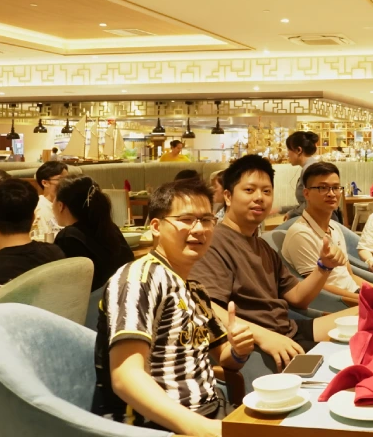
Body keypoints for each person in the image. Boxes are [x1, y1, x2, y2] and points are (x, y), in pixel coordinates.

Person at [93, 179, 254, 436]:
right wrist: (203, 429)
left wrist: (239, 350)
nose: (199, 229)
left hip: (212, 411)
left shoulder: (195, 290)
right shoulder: (140, 279)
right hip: (159, 427)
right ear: (156, 227)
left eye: (206, 220)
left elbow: (224, 358)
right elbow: (125, 377)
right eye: (186, 219)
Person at [189, 155, 354, 386]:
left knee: (366, 318)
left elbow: (298, 298)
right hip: (263, 347)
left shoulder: (261, 246)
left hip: (289, 330)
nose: (259, 197)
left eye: (266, 191)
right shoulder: (215, 243)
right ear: (228, 196)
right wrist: (264, 337)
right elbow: (205, 306)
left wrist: (324, 266)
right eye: (249, 190)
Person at [282, 162, 373, 303]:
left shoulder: (334, 227)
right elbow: (318, 289)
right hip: (339, 304)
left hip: (356, 295)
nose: (331, 194)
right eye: (323, 188)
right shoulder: (300, 234)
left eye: (335, 188)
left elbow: (349, 276)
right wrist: (369, 299)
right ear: (306, 194)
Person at [53, 176, 134, 291]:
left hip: (95, 301)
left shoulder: (68, 237)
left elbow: (66, 287)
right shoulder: (110, 228)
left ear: (61, 206)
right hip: (123, 296)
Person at [282, 130, 320, 218]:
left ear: (299, 150)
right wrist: (282, 209)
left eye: (289, 150)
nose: (287, 154)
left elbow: (310, 203)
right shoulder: (310, 166)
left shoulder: (309, 169)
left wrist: (292, 213)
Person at [32, 161, 69, 240]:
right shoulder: (38, 206)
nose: (66, 183)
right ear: (45, 183)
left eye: (67, 179)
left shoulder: (69, 205)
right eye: (60, 179)